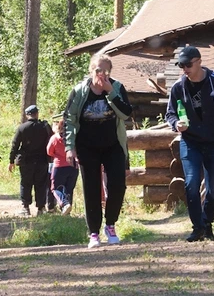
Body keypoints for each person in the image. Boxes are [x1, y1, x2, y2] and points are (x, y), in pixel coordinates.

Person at [165, 46, 214, 242]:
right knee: (190, 184)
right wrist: (176, 124)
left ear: (199, 61)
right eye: (181, 65)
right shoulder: (178, 86)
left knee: (213, 188)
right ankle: (197, 227)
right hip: (190, 142)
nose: (185, 69)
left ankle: (207, 223)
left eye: (188, 64)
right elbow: (170, 113)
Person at [64, 54, 132, 248]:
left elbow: (126, 113)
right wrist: (70, 147)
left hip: (113, 145)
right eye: (98, 70)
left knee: (118, 186)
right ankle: (93, 232)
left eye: (106, 71)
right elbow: (69, 119)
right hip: (87, 147)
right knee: (91, 189)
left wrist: (110, 92)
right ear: (90, 70)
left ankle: (110, 225)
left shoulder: (117, 88)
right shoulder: (79, 92)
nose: (102, 74)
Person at [8, 105, 53, 217]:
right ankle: (41, 208)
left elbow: (15, 145)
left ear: (27, 115)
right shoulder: (45, 127)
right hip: (42, 160)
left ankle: (25, 207)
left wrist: (11, 161)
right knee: (41, 184)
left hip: (26, 161)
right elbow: (51, 140)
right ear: (37, 114)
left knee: (26, 183)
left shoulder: (22, 128)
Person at [47, 116, 78, 216]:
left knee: (56, 188)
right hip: (73, 166)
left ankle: (65, 204)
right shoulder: (74, 138)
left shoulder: (55, 138)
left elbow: (49, 151)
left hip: (59, 166)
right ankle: (67, 210)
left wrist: (58, 155)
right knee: (69, 189)